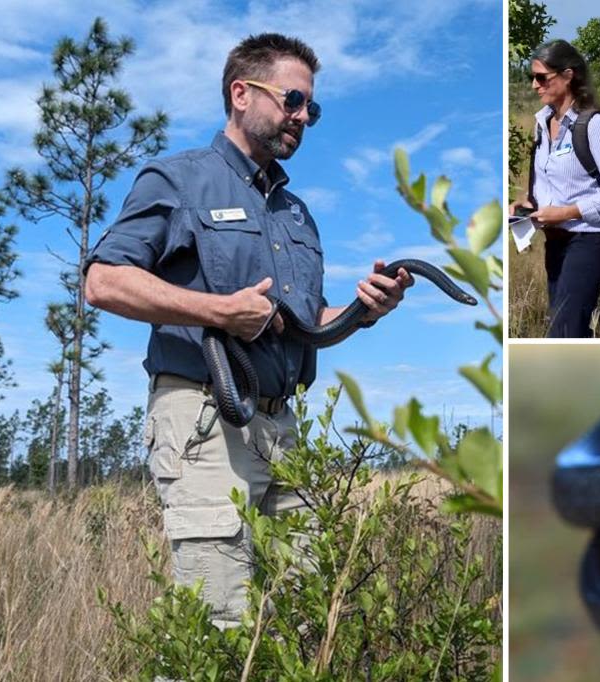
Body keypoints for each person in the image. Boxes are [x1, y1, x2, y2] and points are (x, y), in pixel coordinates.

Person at [83, 33, 414, 628]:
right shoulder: (179, 179)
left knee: (307, 616)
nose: (304, 117)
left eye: (313, 107)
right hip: (206, 420)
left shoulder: (295, 213)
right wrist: (216, 312)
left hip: (281, 428)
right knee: (221, 624)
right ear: (241, 93)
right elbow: (104, 282)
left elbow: (304, 323)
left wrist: (365, 310)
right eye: (293, 100)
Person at [508, 39, 600, 338]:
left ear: (568, 75)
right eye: (532, 78)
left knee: (565, 329)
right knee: (565, 328)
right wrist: (524, 206)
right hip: (556, 243)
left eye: (542, 77)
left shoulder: (595, 124)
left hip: (590, 240)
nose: (535, 85)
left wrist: (566, 212)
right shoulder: (542, 126)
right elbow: (550, 185)